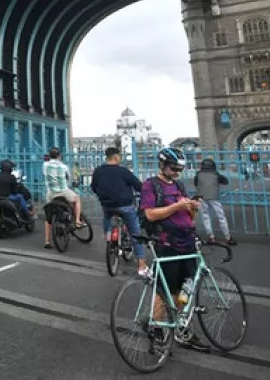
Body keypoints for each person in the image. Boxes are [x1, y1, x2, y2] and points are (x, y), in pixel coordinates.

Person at [139, 147, 209, 352]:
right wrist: (176, 207)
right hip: (167, 242)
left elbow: (187, 215)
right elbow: (150, 214)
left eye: (180, 169)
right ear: (162, 165)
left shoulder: (178, 185)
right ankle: (156, 327)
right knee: (164, 290)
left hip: (186, 241)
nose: (177, 173)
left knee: (184, 289)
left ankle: (182, 329)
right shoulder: (150, 185)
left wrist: (193, 208)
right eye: (173, 168)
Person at [91, 147, 148, 276]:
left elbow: (94, 187)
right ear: (117, 157)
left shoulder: (98, 171)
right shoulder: (123, 171)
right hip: (125, 206)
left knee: (107, 216)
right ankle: (141, 265)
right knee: (135, 233)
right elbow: (139, 186)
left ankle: (108, 236)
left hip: (107, 206)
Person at [42, 147, 84, 249]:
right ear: (59, 155)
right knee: (77, 199)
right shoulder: (64, 166)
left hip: (51, 193)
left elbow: (44, 174)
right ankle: (78, 221)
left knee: (48, 217)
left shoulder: (45, 165)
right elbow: (68, 178)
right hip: (63, 192)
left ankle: (47, 241)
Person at [193, 158, 236, 246]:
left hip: (201, 197)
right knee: (221, 217)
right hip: (213, 197)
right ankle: (228, 238)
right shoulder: (215, 174)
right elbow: (225, 181)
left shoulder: (198, 174)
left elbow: (196, 184)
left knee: (205, 217)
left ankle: (211, 237)